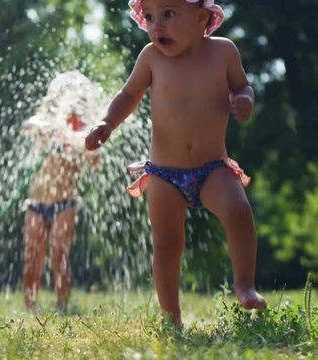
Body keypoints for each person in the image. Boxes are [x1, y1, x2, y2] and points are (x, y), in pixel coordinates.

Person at [85, 0, 267, 325]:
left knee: (238, 211)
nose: (157, 26)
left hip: (212, 168)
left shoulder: (223, 53)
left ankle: (245, 285)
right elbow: (128, 95)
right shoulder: (151, 58)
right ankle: (171, 317)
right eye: (151, 17)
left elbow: (242, 85)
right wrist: (106, 123)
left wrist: (245, 100)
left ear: (201, 17)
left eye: (168, 14)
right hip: (164, 174)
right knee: (167, 242)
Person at [21, 71, 100, 311]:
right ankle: (30, 308)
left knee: (58, 255)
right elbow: (27, 127)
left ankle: (62, 306)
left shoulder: (81, 132)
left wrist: (80, 143)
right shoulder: (44, 123)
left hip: (65, 203)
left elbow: (95, 163)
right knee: (32, 257)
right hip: (36, 202)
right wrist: (53, 128)